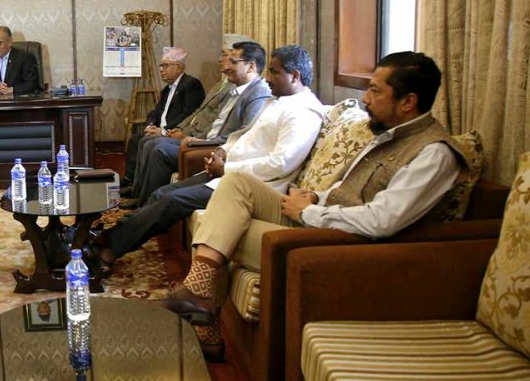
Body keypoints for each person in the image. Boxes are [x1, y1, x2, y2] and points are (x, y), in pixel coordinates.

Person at [163, 51, 467, 361]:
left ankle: (202, 308)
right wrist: (315, 197)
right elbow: (348, 188)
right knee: (235, 183)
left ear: (408, 102)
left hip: (341, 241)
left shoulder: (435, 154)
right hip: (322, 217)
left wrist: (308, 212)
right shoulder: (389, 134)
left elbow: (382, 220)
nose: (365, 99)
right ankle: (199, 295)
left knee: (220, 228)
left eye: (375, 91)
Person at [87, 45, 324, 277]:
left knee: (170, 200)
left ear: (295, 76)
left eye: (273, 72)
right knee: (161, 193)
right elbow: (242, 135)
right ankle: (108, 239)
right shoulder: (278, 100)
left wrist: (226, 168)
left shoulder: (304, 112)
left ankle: (107, 248)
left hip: (251, 185)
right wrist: (221, 151)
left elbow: (280, 163)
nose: (267, 77)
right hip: (226, 173)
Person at [128, 41, 272, 203]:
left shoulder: (258, 93)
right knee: (147, 142)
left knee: (158, 149)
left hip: (212, 147)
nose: (225, 64)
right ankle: (141, 198)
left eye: (232, 61)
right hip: (203, 139)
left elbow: (242, 136)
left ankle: (144, 203)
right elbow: (203, 114)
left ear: (251, 66)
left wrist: (199, 140)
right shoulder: (233, 89)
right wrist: (179, 130)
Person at [121, 47, 206, 188]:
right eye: (161, 66)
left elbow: (188, 114)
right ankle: (130, 179)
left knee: (146, 141)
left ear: (179, 68)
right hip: (161, 130)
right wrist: (150, 125)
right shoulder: (166, 89)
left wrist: (164, 130)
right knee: (135, 139)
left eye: (166, 66)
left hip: (175, 132)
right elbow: (155, 112)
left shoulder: (191, 84)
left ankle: (139, 186)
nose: (161, 69)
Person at [0, 26, 39, 96]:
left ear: (10, 42)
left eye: (0, 43)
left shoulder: (23, 57)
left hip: (17, 100)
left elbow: (31, 84)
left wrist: (11, 90)